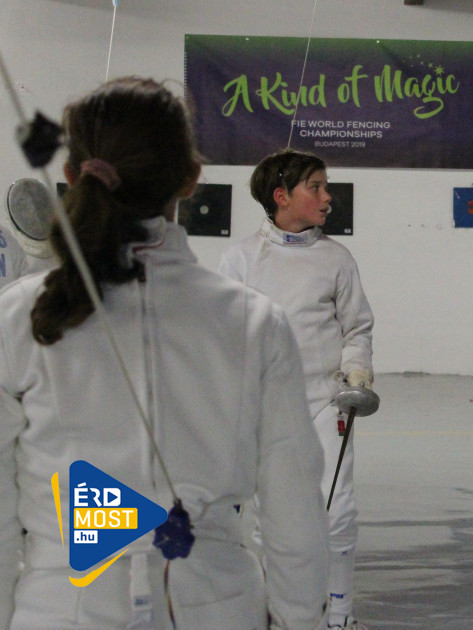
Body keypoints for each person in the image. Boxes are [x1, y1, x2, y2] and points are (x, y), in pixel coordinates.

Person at [0, 77, 328, 629]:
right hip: (217, 608)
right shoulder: (253, 323)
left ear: (71, 176)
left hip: (61, 611)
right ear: (190, 178)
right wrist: (300, 620)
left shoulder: (17, 316)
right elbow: (294, 511)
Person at [219, 147, 375, 630]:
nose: (328, 198)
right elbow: (224, 334)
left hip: (326, 402)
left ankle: (340, 614)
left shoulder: (336, 259)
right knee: (268, 518)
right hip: (263, 407)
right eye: (316, 187)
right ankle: (273, 613)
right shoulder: (241, 259)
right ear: (281, 196)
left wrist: (356, 369)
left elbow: (357, 327)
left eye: (326, 187)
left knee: (337, 510)